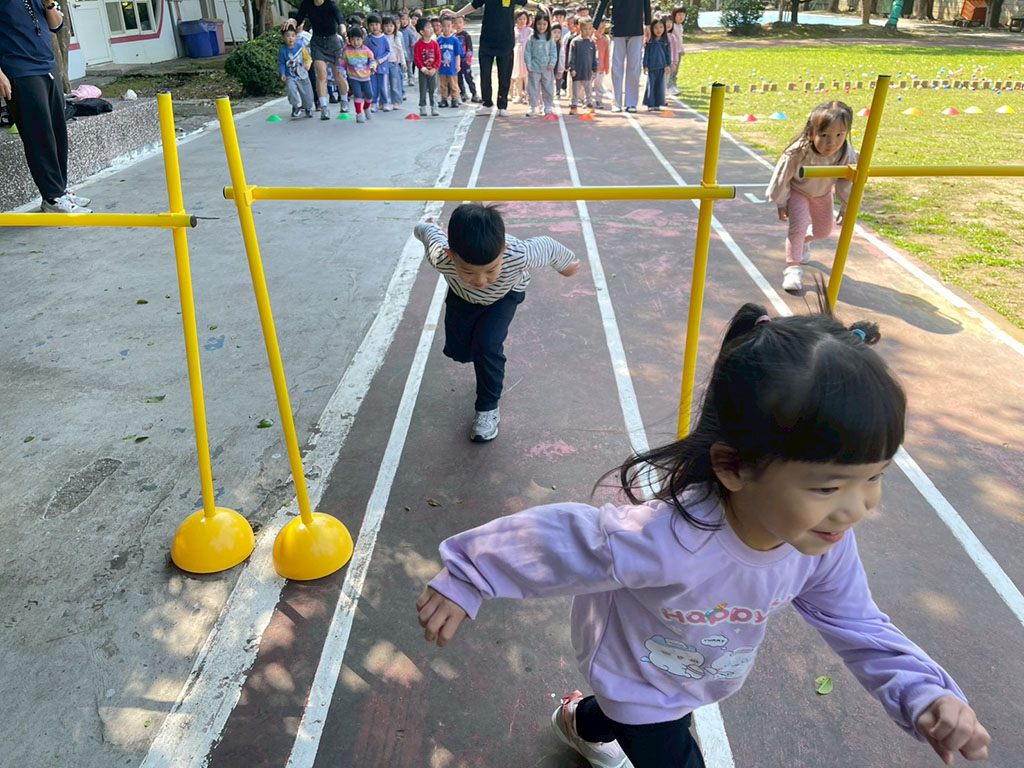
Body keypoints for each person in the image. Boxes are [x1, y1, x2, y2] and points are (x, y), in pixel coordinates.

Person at [416, 301, 993, 768]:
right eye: (827, 487)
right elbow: (565, 535)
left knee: (624, 718)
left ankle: (580, 720)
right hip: (638, 682)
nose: (857, 508)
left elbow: (857, 621)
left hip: (690, 675)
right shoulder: (667, 535)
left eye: (874, 478)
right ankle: (595, 717)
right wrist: (470, 573)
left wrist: (923, 691)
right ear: (734, 467)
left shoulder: (821, 543)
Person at [413, 204, 579, 442]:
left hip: (505, 296)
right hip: (463, 298)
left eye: (491, 270)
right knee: (460, 352)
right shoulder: (440, 256)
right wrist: (428, 226)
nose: (481, 280)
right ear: (451, 256)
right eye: (468, 272)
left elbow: (549, 246)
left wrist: (567, 266)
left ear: (505, 251)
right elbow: (426, 232)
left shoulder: (519, 254)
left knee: (487, 346)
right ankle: (480, 359)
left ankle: (487, 409)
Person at [0, 0, 91, 213]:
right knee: (39, 135)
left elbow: (56, 25)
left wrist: (49, 4)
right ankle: (52, 197)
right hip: (20, 70)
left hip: (47, 66)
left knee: (57, 132)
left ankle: (60, 191)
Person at [766, 100, 858, 293]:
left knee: (823, 232)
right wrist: (781, 202)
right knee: (797, 228)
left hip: (823, 193)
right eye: (824, 135)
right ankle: (793, 268)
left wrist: (846, 204)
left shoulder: (845, 152)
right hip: (799, 192)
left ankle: (804, 241)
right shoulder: (797, 152)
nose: (831, 142)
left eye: (839, 135)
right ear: (811, 133)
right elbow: (782, 177)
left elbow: (847, 180)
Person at [451, 0, 529, 116]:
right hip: (487, 41)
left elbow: (525, 2)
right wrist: (457, 14)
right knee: (485, 74)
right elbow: (474, 5)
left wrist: (539, 5)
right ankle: (487, 104)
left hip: (506, 42)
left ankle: (502, 106)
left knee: (504, 75)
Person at [292, 0, 349, 119]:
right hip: (317, 43)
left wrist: (344, 32)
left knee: (338, 76)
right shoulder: (307, 3)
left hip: (333, 42)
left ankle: (344, 100)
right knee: (321, 75)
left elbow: (340, 20)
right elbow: (298, 18)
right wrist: (291, 21)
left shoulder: (330, 4)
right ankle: (324, 107)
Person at [593, 0, 651, 112]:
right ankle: (616, 103)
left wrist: (648, 24)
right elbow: (602, 3)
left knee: (634, 67)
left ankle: (631, 103)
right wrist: (594, 25)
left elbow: (646, 3)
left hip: (636, 29)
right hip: (618, 30)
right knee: (616, 67)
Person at [341, 26, 377, 123]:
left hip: (366, 77)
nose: (356, 42)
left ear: (362, 39)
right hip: (354, 77)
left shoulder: (366, 50)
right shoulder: (347, 51)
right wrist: (340, 71)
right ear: (349, 40)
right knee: (358, 94)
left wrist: (373, 67)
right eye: (353, 40)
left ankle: (366, 108)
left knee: (369, 95)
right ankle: (359, 113)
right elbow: (342, 62)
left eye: (358, 39)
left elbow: (372, 60)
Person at [524, 14, 557, 117]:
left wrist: (552, 63)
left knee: (548, 88)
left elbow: (553, 52)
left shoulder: (550, 38)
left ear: (548, 25)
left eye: (544, 24)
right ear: (535, 24)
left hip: (547, 68)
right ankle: (533, 106)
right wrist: (528, 63)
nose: (541, 26)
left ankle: (547, 106)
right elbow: (527, 52)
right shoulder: (532, 38)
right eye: (539, 24)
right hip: (534, 67)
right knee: (533, 88)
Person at [279, 25, 315, 118]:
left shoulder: (301, 46)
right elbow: (281, 62)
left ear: (296, 36)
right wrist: (283, 73)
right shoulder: (282, 50)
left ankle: (308, 108)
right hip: (290, 75)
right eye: (287, 36)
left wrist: (308, 64)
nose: (290, 38)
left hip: (302, 74)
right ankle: (295, 106)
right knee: (291, 90)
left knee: (307, 93)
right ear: (283, 37)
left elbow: (308, 58)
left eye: (293, 35)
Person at [568, 18, 598, 114]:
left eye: (590, 29)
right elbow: (572, 56)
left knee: (588, 91)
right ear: (579, 28)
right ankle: (574, 106)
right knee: (576, 92)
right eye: (585, 29)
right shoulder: (575, 42)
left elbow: (593, 57)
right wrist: (572, 68)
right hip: (577, 71)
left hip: (587, 71)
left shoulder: (591, 43)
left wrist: (594, 69)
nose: (587, 31)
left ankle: (589, 105)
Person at [413, 16, 441, 117]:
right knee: (423, 89)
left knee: (433, 90)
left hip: (433, 71)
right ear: (422, 32)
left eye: (431, 27)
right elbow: (417, 58)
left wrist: (435, 68)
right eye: (428, 27)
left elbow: (438, 57)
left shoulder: (434, 44)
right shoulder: (418, 45)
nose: (431, 29)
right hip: (423, 71)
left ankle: (434, 107)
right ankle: (422, 107)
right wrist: (423, 69)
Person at [641, 16, 670, 110]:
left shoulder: (665, 41)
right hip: (652, 67)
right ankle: (651, 104)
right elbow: (646, 54)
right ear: (652, 29)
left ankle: (658, 103)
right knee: (651, 85)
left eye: (661, 27)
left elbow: (668, 54)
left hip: (661, 67)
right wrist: (645, 65)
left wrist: (668, 65)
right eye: (656, 28)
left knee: (659, 86)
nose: (659, 30)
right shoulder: (649, 41)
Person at [364, 14, 391, 112]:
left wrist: (380, 60)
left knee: (384, 86)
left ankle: (385, 102)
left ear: (380, 25)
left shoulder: (384, 38)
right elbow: (364, 51)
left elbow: (388, 51)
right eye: (371, 25)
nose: (374, 27)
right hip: (371, 67)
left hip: (383, 66)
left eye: (376, 24)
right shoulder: (367, 39)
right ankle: (373, 102)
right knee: (373, 86)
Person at [436, 15, 464, 108]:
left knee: (453, 84)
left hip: (452, 67)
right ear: (441, 27)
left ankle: (455, 98)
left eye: (448, 26)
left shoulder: (455, 40)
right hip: (442, 66)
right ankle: (444, 99)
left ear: (452, 26)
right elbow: (437, 54)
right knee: (443, 84)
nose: (446, 28)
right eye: (444, 26)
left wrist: (458, 65)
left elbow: (457, 54)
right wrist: (436, 65)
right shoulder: (439, 40)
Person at [454, 16, 480, 104]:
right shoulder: (453, 37)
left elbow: (470, 48)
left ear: (464, 24)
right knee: (459, 78)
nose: (458, 25)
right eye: (455, 23)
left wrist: (469, 59)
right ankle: (463, 93)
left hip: (465, 60)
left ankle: (474, 94)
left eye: (460, 22)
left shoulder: (466, 35)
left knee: (468, 77)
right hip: (457, 61)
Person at [383, 16, 407, 110]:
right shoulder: (382, 37)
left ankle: (396, 102)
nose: (389, 28)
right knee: (384, 84)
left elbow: (400, 51)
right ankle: (385, 101)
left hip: (394, 63)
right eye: (386, 26)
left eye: (391, 26)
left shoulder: (397, 37)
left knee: (395, 84)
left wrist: (403, 63)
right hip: (383, 63)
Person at [511, 9, 532, 105]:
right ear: (515, 19)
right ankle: (519, 95)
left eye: (524, 19)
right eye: (520, 19)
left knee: (527, 76)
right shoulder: (513, 30)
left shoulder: (530, 31)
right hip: (517, 55)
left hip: (527, 55)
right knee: (518, 76)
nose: (522, 21)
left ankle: (528, 95)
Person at [592, 19, 611, 108]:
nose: (600, 30)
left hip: (600, 68)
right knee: (587, 85)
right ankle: (587, 100)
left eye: (603, 28)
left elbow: (606, 55)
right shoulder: (590, 39)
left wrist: (607, 67)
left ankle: (599, 100)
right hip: (590, 68)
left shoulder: (605, 40)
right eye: (599, 27)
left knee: (599, 84)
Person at [667, 7, 686, 95]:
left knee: (676, 70)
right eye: (679, 15)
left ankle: (674, 85)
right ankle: (669, 86)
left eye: (683, 15)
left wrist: (682, 49)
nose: (681, 17)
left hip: (678, 51)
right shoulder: (673, 26)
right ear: (674, 15)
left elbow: (680, 39)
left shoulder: (680, 26)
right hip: (672, 52)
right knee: (671, 70)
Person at [400, 11, 418, 87]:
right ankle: (401, 78)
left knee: (409, 66)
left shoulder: (409, 31)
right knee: (401, 66)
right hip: (400, 52)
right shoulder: (397, 31)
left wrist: (413, 44)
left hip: (408, 51)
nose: (404, 21)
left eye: (406, 20)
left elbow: (413, 40)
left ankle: (411, 78)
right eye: (402, 19)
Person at [551, 24, 566, 100]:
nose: (557, 34)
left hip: (558, 64)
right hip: (550, 65)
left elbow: (562, 57)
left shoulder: (560, 45)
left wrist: (561, 70)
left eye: (559, 32)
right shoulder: (548, 44)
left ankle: (557, 92)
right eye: (554, 32)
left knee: (558, 78)